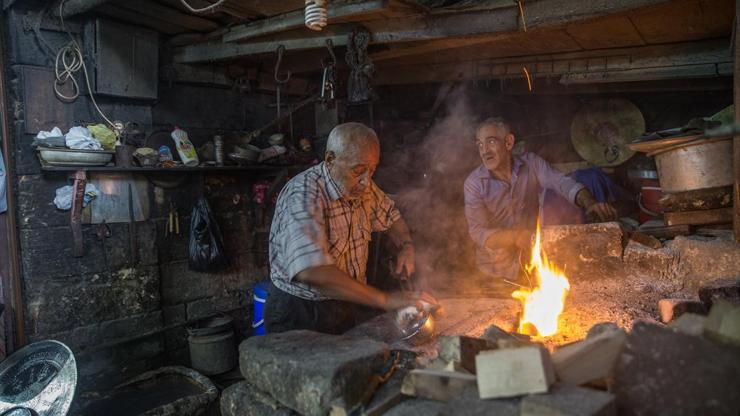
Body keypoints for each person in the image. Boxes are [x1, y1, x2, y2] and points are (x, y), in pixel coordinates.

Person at [266, 122, 436, 334]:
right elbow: (311, 270)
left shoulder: (363, 187)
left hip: (344, 305)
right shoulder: (302, 194)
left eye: (372, 170)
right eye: (359, 171)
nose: (366, 182)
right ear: (330, 159)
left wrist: (406, 246)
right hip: (300, 312)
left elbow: (391, 216)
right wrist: (384, 299)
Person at [464, 117, 617, 281]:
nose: (484, 151)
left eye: (491, 142)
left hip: (532, 263)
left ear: (508, 142)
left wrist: (590, 203)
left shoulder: (531, 164)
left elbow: (561, 182)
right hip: (494, 273)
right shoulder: (473, 184)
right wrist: (516, 237)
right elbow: (478, 232)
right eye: (480, 145)